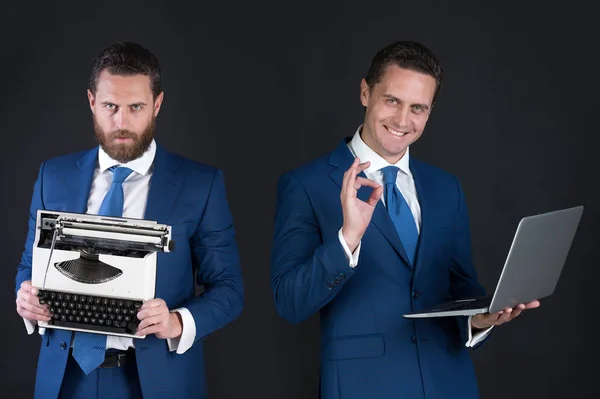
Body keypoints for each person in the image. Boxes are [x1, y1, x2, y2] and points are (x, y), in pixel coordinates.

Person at [270, 40, 539, 399]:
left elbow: (460, 289)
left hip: (449, 383)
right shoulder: (306, 185)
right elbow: (289, 303)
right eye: (392, 100)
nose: (402, 120)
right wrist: (348, 238)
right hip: (362, 387)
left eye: (417, 108)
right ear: (366, 92)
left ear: (430, 112)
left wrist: (479, 320)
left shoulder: (446, 188)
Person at [14, 42, 244, 399]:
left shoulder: (201, 184)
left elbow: (229, 289)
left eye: (136, 107)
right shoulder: (52, 176)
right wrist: (24, 296)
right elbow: (29, 266)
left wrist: (177, 322)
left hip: (154, 381)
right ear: (92, 102)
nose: (121, 123)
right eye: (110, 106)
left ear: (158, 104)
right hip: (64, 379)